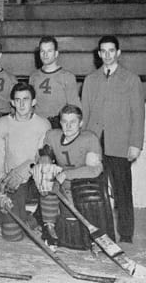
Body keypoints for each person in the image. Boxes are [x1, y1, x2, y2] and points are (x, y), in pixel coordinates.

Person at [81, 35, 144, 243]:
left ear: (118, 53)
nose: (107, 55)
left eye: (111, 51)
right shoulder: (91, 79)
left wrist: (136, 144)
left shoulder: (131, 79)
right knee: (97, 191)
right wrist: (85, 144)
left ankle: (126, 235)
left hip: (120, 144)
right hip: (95, 143)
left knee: (122, 191)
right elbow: (86, 113)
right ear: (98, 54)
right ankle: (102, 233)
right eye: (103, 51)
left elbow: (137, 114)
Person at [32, 104, 111, 250]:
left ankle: (95, 238)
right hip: (61, 182)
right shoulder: (52, 135)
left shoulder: (89, 138)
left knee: (86, 197)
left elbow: (95, 170)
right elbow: (43, 155)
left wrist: (66, 174)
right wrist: (45, 163)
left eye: (73, 122)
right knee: (45, 177)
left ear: (80, 123)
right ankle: (49, 228)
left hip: (84, 183)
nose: (68, 126)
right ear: (59, 121)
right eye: (64, 121)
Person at [0, 83, 51, 242]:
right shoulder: (2, 123)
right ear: (12, 102)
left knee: (50, 179)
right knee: (12, 235)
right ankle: (29, 218)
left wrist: (27, 166)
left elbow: (43, 158)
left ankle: (37, 217)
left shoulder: (43, 124)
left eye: (26, 99)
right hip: (12, 181)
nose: (22, 104)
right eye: (17, 100)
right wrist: (0, 192)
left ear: (33, 102)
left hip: (34, 178)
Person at [29, 36, 81, 128]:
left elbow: (74, 106)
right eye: (42, 51)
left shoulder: (67, 76)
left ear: (56, 53)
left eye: (49, 51)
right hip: (38, 123)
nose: (45, 54)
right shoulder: (34, 77)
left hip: (59, 123)